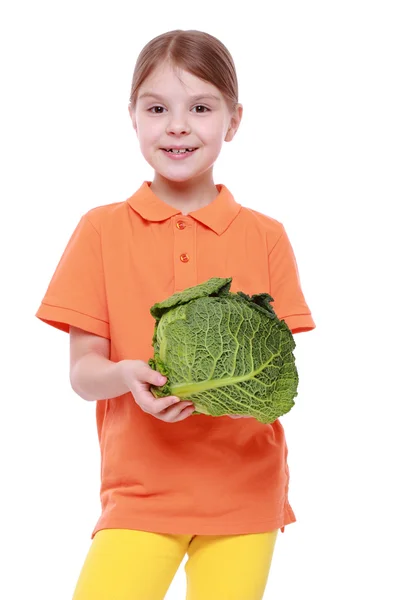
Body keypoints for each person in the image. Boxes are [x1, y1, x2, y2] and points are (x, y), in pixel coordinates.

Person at [36, 29, 315, 600]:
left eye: (201, 108)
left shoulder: (267, 235)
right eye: (157, 107)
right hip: (139, 491)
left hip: (245, 492)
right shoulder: (101, 229)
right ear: (133, 117)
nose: (178, 125)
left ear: (234, 121)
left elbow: (275, 365)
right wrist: (126, 376)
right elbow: (83, 372)